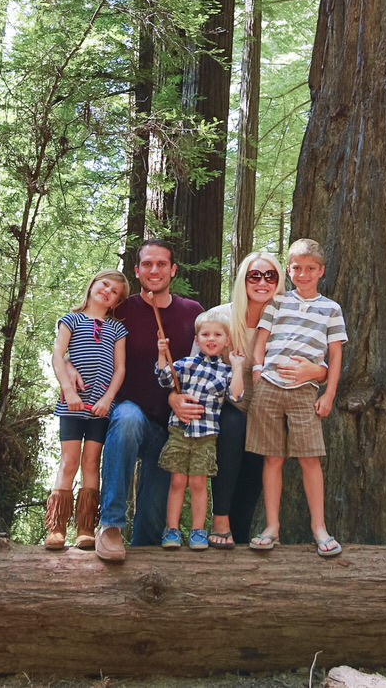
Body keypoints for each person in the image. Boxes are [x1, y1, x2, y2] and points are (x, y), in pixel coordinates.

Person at [92, 239, 204, 562]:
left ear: (173, 269)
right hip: (127, 417)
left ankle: (143, 576)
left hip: (170, 430)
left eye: (161, 264)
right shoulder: (121, 311)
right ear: (138, 271)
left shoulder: (192, 313)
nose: (154, 270)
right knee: (127, 418)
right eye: (147, 265)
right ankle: (111, 525)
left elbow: (204, 365)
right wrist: (68, 369)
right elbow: (84, 331)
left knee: (152, 526)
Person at [209, 251, 323, 547]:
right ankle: (219, 520)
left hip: (271, 406)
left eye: (270, 275)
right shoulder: (218, 317)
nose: (263, 282)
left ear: (279, 280)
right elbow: (198, 368)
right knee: (234, 429)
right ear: (243, 280)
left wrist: (318, 371)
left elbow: (321, 358)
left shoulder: (290, 316)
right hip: (227, 406)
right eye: (255, 275)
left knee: (258, 463)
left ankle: (243, 535)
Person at [247, 238, 347, 557]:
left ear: (321, 271)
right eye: (297, 268)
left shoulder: (330, 309)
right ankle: (272, 527)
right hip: (270, 386)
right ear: (289, 270)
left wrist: (329, 392)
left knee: (309, 459)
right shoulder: (277, 303)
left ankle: (319, 528)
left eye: (310, 269)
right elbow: (262, 338)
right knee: (272, 458)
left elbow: (335, 353)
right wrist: (258, 369)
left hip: (306, 391)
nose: (303, 274)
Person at [44, 269, 129, 550]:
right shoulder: (71, 320)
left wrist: (108, 399)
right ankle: (56, 528)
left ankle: (85, 528)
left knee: (91, 462)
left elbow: (120, 369)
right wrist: (68, 389)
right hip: (72, 404)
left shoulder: (117, 329)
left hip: (100, 407)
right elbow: (58, 355)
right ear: (92, 285)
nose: (108, 291)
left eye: (115, 291)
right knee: (69, 461)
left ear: (117, 301)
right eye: (105, 284)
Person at [154, 305, 246, 550]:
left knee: (198, 483)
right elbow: (164, 378)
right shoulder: (185, 364)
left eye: (217, 335)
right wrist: (162, 354)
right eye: (205, 335)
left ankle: (198, 531)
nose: (211, 339)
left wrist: (237, 367)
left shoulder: (226, 372)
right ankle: (171, 530)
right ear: (197, 339)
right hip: (180, 432)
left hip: (206, 435)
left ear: (226, 340)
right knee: (177, 482)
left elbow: (236, 396)